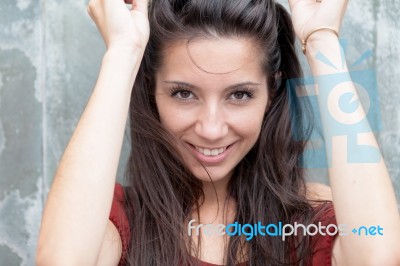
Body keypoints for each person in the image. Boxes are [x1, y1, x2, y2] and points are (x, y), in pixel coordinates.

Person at [36, 0, 400, 265]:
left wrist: (322, 41)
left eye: (239, 95)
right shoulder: (118, 221)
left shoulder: (308, 221)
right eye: (183, 93)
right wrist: (123, 52)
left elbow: (378, 254)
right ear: (151, 90)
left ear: (272, 92)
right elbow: (61, 260)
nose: (211, 128)